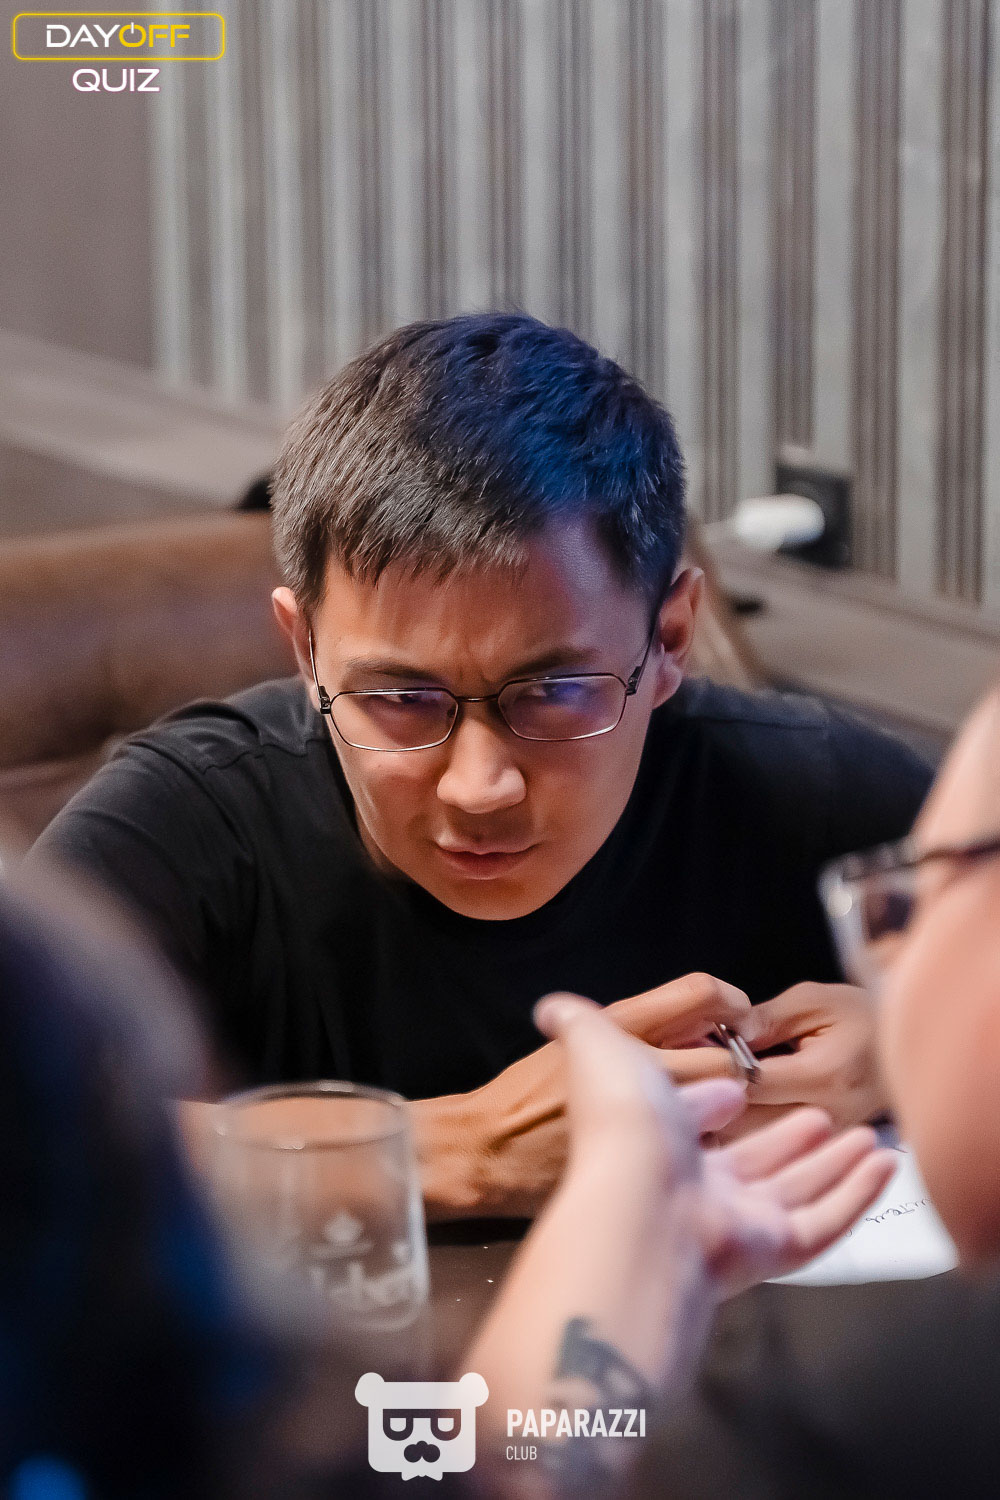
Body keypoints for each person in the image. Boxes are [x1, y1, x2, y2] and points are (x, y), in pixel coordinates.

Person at [30, 312, 931, 1219]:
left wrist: (914, 1045)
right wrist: (461, 1148)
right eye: (400, 697)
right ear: (305, 651)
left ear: (669, 638)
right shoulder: (192, 820)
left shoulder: (812, 790)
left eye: (554, 691)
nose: (478, 787)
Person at [469, 684, 1000, 1498]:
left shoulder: (866, 1392)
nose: (889, 968)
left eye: (910, 900)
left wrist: (589, 1274)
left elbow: (509, 1476)